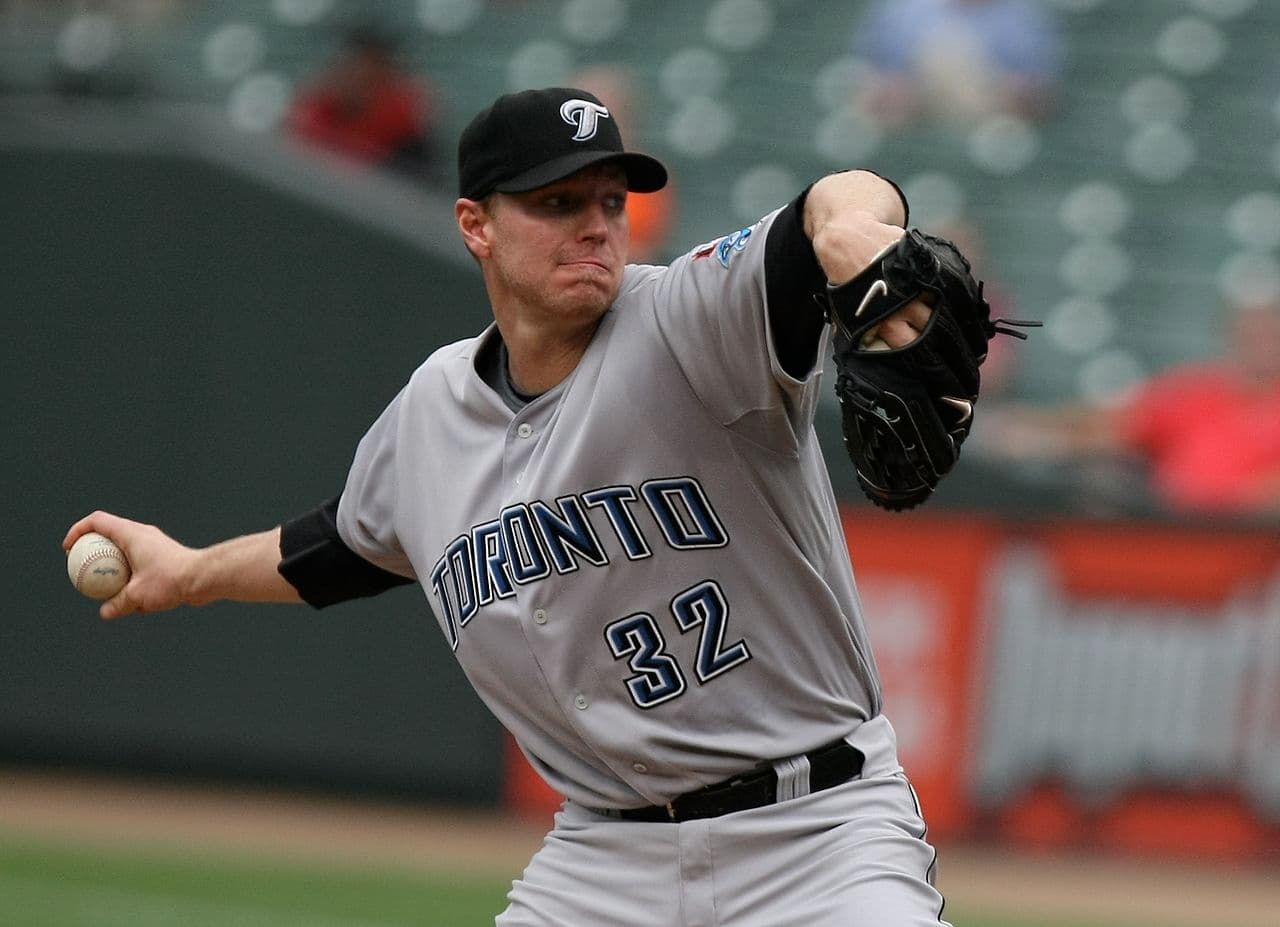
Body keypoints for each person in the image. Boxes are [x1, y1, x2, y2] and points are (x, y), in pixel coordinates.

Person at [65, 87, 953, 925]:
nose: (597, 228)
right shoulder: (433, 411)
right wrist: (189, 573)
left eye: (610, 202)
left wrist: (851, 227)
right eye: (558, 204)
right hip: (605, 857)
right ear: (475, 225)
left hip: (820, 831)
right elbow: (335, 547)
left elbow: (829, 203)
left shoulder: (693, 320)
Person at [978, 297, 1280, 518]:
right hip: (1168, 526)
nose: (1259, 345)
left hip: (1247, 542)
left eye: (1267, 334)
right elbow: (1117, 424)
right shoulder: (1199, 391)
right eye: (1250, 334)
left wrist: (1224, 505)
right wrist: (1035, 431)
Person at [850, 0, 1063, 129]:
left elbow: (1041, 94)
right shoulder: (905, 8)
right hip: (909, 112)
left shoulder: (1024, 15)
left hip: (989, 116)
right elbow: (868, 73)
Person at [287, 25, 439, 179]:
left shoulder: (409, 144)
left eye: (369, 71)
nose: (357, 77)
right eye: (351, 67)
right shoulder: (309, 121)